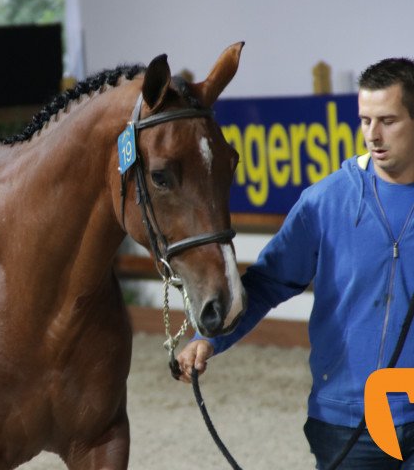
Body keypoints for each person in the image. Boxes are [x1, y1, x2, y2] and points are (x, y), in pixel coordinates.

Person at [177, 57, 414, 469]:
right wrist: (208, 339)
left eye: (388, 120)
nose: (372, 135)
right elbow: (267, 283)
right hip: (348, 422)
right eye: (364, 120)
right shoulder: (324, 203)